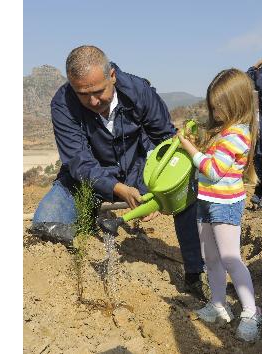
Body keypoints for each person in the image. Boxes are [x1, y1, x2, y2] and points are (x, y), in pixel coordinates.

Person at [30, 45, 205, 297]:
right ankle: (86, 231)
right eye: (83, 94)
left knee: (185, 194)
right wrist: (117, 189)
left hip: (138, 173)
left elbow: (166, 142)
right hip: (86, 179)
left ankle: (194, 274)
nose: (92, 101)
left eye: (98, 92)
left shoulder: (138, 91)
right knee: (44, 223)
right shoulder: (62, 104)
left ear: (111, 75)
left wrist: (158, 191)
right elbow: (78, 162)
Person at [177, 68, 262, 341]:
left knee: (230, 259)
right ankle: (218, 304)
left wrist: (190, 150)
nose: (215, 111)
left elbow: (213, 170)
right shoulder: (223, 131)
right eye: (213, 106)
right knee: (210, 258)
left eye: (220, 106)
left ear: (236, 103)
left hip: (225, 205)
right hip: (206, 201)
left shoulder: (238, 134)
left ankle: (251, 311)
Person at [246, 42, 262, 209]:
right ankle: (261, 195)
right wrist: (260, 62)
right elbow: (244, 78)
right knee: (261, 158)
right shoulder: (260, 73)